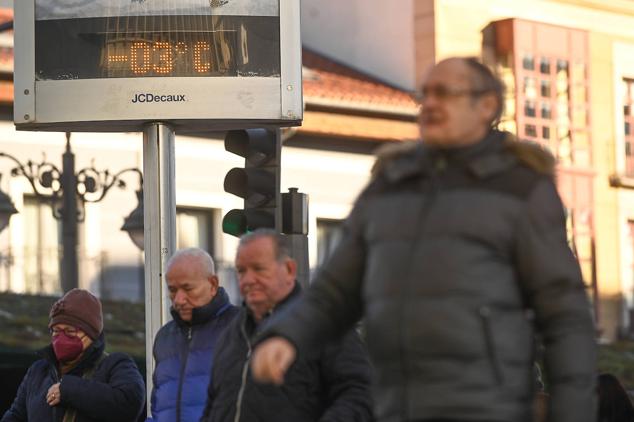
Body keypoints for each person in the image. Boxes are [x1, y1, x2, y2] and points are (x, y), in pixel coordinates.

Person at [251, 57, 597, 422]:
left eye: (445, 93)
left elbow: (565, 319)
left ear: (487, 106)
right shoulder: (388, 187)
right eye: (425, 94)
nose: (430, 104)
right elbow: (333, 293)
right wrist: (285, 337)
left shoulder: (521, 189)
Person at [201, 229, 374, 422]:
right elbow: (212, 405)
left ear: (290, 270)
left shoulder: (326, 327)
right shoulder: (231, 334)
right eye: (241, 271)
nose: (248, 280)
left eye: (259, 269)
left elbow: (361, 394)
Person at [1, 288, 145, 422]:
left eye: (70, 332)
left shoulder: (115, 365)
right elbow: (16, 415)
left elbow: (130, 402)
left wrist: (69, 390)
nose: (61, 338)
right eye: (56, 331)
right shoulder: (38, 372)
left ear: (91, 334)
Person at [147, 248, 238, 422]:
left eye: (188, 288)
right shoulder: (164, 337)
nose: (179, 299)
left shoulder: (241, 327)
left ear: (213, 284)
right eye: (172, 290)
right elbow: (160, 406)